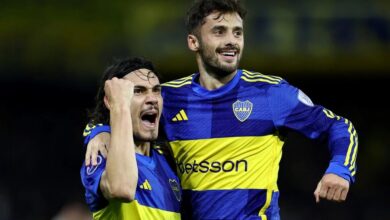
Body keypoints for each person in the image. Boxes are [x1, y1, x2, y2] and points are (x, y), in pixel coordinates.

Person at [83, 0, 358, 219]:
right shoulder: (168, 97)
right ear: (194, 42)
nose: (231, 41)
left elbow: (339, 126)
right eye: (219, 31)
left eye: (237, 32)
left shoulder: (271, 94)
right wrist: (100, 131)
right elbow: (125, 111)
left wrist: (340, 170)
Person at [80, 57, 181, 219]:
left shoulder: (168, 160)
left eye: (156, 90)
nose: (152, 99)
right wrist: (118, 106)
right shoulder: (101, 154)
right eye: (138, 91)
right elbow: (121, 188)